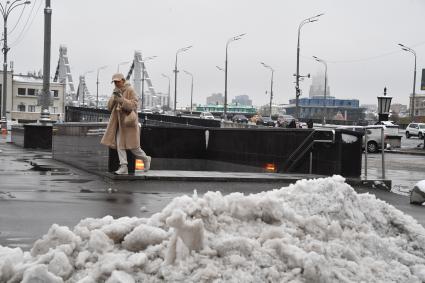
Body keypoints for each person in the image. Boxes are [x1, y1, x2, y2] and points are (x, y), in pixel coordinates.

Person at [101, 73, 151, 175]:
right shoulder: (115, 91)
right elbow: (109, 107)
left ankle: (146, 159)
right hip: (119, 123)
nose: (116, 83)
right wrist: (114, 98)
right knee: (120, 145)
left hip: (129, 123)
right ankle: (123, 166)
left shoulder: (130, 90)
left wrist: (122, 100)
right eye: (114, 82)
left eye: (118, 81)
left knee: (134, 147)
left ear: (123, 80)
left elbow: (134, 105)